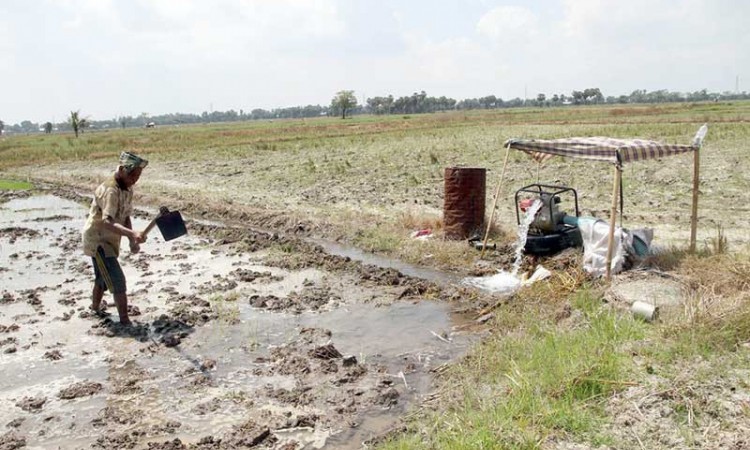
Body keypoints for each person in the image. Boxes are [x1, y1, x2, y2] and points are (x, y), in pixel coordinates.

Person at [82, 151, 149, 325]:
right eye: (132, 174)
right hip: (99, 241)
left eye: (138, 175)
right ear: (121, 169)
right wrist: (132, 234)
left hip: (110, 240)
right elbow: (107, 222)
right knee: (117, 280)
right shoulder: (111, 190)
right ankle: (125, 320)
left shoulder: (127, 189)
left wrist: (131, 240)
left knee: (102, 278)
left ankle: (95, 309)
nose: (135, 179)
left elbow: (125, 216)